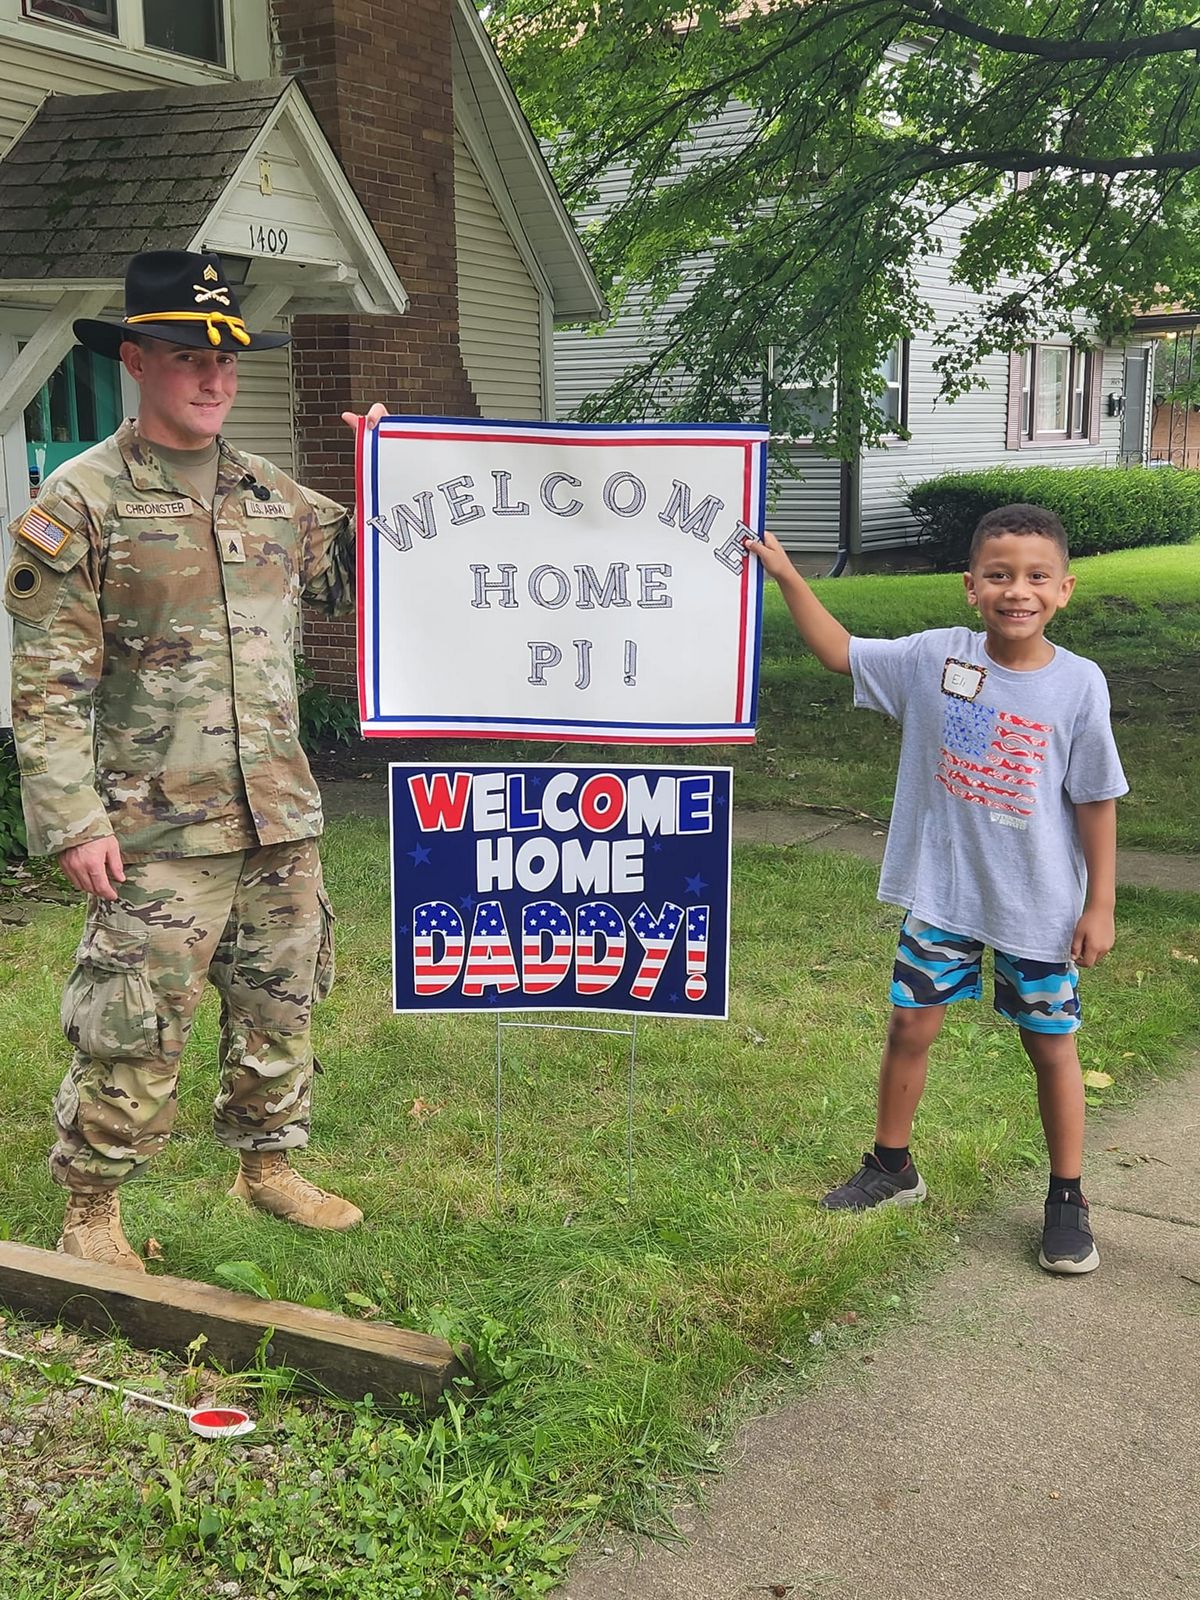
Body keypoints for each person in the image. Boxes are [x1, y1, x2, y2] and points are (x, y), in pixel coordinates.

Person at [3, 249, 386, 1272]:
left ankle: (267, 1166)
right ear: (136, 360)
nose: (215, 379)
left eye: (228, 358)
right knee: (133, 1021)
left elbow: (362, 569)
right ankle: (91, 1208)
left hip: (278, 813)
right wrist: (73, 818)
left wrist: (392, 473)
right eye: (186, 357)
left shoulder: (273, 494)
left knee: (280, 999)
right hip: (154, 827)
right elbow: (45, 684)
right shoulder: (79, 503)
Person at [746, 505, 1127, 1274]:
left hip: (1041, 906)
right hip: (944, 895)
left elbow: (1095, 798)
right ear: (970, 586)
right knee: (909, 1027)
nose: (1016, 591)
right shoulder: (933, 659)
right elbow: (839, 654)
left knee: (1051, 1047)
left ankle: (1067, 1199)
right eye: (998, 575)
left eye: (1035, 577)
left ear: (1064, 591)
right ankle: (892, 1169)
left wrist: (1101, 903)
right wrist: (787, 575)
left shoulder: (1080, 685)